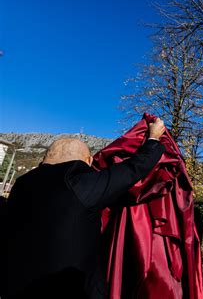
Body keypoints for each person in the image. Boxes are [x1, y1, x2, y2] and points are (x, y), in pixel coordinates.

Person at [6, 118, 166, 299]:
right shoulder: (78, 182)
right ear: (88, 161)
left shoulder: (21, 184)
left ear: (46, 158)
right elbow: (133, 170)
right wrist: (153, 138)